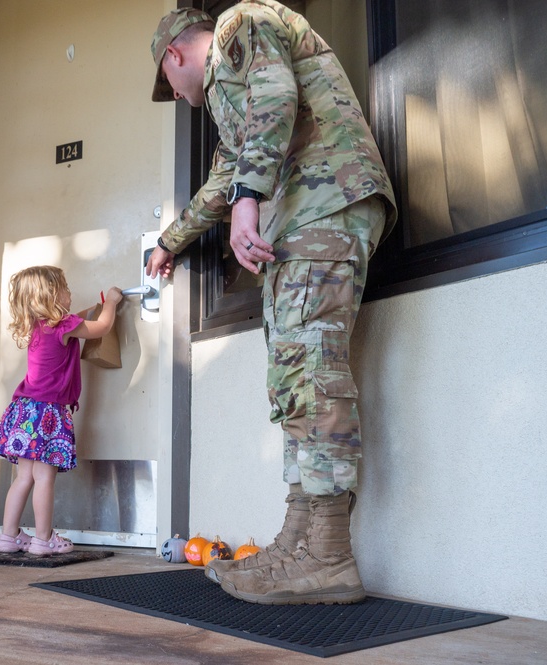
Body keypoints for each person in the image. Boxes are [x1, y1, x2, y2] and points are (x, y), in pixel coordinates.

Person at [146, 2, 397, 604]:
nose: (182, 100)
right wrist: (169, 242)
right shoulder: (233, 94)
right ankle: (297, 545)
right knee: (292, 379)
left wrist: (247, 200)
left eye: (171, 88)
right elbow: (224, 178)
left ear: (174, 55)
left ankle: (330, 554)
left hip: (325, 204)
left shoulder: (243, 23)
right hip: (300, 224)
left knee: (311, 373)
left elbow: (278, 100)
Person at [0, 265, 123, 556]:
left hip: (24, 411)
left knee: (24, 478)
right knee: (45, 478)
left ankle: (8, 537)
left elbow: (82, 318)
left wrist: (97, 307)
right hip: (48, 413)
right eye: (65, 288)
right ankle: (43, 539)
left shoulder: (39, 325)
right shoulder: (64, 324)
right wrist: (111, 303)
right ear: (51, 295)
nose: (70, 292)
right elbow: (101, 327)